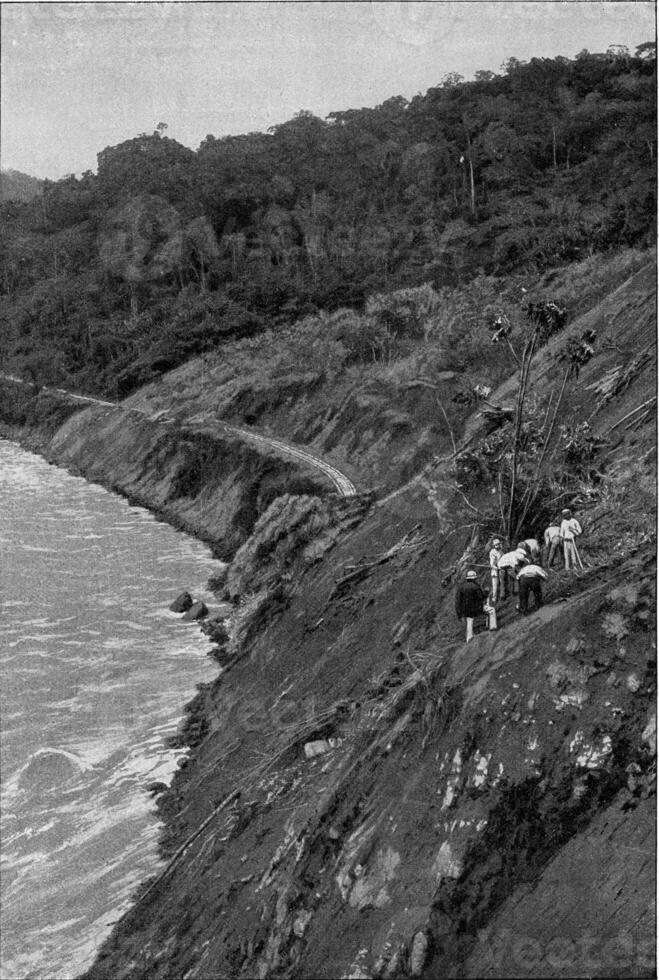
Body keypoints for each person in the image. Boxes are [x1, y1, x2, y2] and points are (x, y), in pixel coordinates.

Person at [455, 570, 487, 643]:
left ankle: (469, 639)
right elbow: (481, 597)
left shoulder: (461, 587)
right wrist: (486, 592)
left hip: (465, 610)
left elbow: (458, 601)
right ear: (474, 578)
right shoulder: (476, 586)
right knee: (491, 611)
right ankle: (493, 628)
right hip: (476, 608)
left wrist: (459, 614)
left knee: (469, 622)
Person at [488, 538, 504, 602]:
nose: (497, 546)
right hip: (495, 571)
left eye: (498, 544)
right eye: (496, 545)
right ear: (494, 546)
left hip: (501, 570)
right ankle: (494, 598)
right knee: (495, 585)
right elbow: (492, 563)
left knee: (502, 583)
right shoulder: (492, 552)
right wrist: (495, 567)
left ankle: (501, 597)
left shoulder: (501, 551)